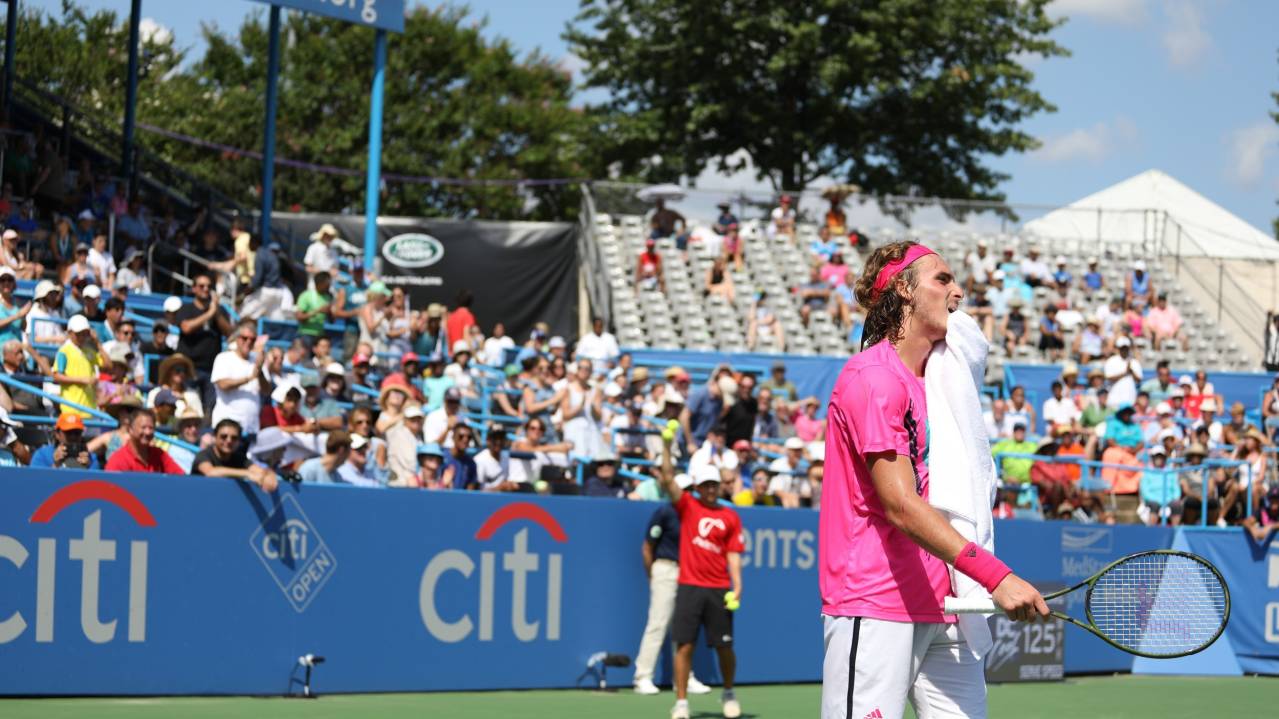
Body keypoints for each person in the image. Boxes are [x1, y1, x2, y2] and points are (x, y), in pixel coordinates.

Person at [820, 241, 1047, 719]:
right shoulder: (873, 379)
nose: (957, 292)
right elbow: (900, 504)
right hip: (876, 599)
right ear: (904, 290)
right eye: (942, 280)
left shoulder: (939, 385)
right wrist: (995, 575)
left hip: (944, 601)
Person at [654, 432, 744, 719]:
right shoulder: (687, 506)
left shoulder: (730, 517)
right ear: (697, 486)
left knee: (724, 647)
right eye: (705, 485)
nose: (709, 489)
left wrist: (737, 585)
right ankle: (681, 702)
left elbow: (732, 554)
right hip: (690, 586)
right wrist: (667, 447)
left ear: (719, 486)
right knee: (685, 645)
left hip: (719, 588)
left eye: (713, 484)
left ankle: (728, 691)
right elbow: (667, 478)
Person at [632, 473, 715, 696]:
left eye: (690, 490)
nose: (687, 494)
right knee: (658, 623)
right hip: (666, 569)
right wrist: (654, 575)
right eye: (684, 490)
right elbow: (647, 547)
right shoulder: (665, 512)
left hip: (688, 573)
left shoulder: (695, 515)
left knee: (684, 628)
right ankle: (642, 676)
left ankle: (684, 679)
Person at [211, 321, 265, 439]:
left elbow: (266, 390)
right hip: (227, 430)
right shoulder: (224, 358)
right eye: (244, 338)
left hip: (251, 429)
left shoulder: (257, 362)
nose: (248, 342)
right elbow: (222, 384)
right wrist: (249, 378)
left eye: (252, 339)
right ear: (237, 339)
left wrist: (259, 371)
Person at [192, 419, 278, 492]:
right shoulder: (203, 455)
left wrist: (269, 474)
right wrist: (247, 474)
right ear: (214, 437)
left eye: (234, 438)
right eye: (224, 436)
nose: (229, 441)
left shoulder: (239, 458)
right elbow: (210, 472)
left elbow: (258, 471)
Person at [104, 409, 185, 474]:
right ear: (130, 429)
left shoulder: (160, 455)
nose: (148, 432)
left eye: (151, 428)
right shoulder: (118, 460)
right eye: (143, 427)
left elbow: (181, 478)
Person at [53, 314, 102, 417]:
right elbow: (57, 376)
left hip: (90, 410)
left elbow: (108, 365)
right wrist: (82, 380)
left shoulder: (89, 351)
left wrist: (97, 343)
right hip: (71, 410)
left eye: (85, 334)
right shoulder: (64, 351)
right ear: (70, 333)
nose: (83, 337)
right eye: (79, 334)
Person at [28, 412, 99, 470]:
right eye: (68, 432)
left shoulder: (91, 458)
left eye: (77, 433)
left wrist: (87, 469)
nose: (73, 437)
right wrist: (55, 465)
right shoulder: (42, 455)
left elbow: (95, 484)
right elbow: (37, 483)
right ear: (57, 434)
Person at [293, 270, 334, 342]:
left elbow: (331, 321)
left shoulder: (328, 297)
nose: (328, 286)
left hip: (320, 335)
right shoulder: (306, 295)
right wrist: (318, 311)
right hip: (306, 334)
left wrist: (329, 312)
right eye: (326, 284)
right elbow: (299, 317)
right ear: (319, 283)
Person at [1103, 337, 1142, 409]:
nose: (1124, 350)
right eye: (1122, 348)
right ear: (1118, 348)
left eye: (1126, 348)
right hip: (1114, 400)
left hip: (1130, 399)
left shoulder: (1134, 362)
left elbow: (1139, 379)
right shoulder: (1111, 361)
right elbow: (1109, 377)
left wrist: (1131, 371)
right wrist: (1125, 373)